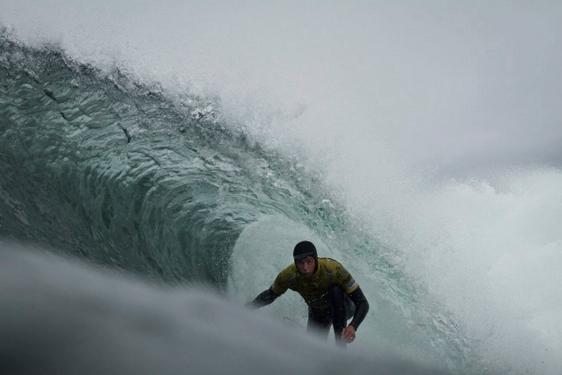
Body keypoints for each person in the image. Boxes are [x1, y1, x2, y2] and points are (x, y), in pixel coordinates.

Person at [248, 240, 369, 346]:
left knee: (335, 290)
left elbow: (363, 303)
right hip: (319, 312)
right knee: (314, 348)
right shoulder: (288, 276)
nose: (305, 267)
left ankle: (341, 349)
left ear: (315, 259)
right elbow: (270, 295)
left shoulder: (333, 269)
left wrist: (353, 326)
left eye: (309, 261)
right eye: (300, 263)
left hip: (345, 307)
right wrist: (246, 308)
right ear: (296, 263)